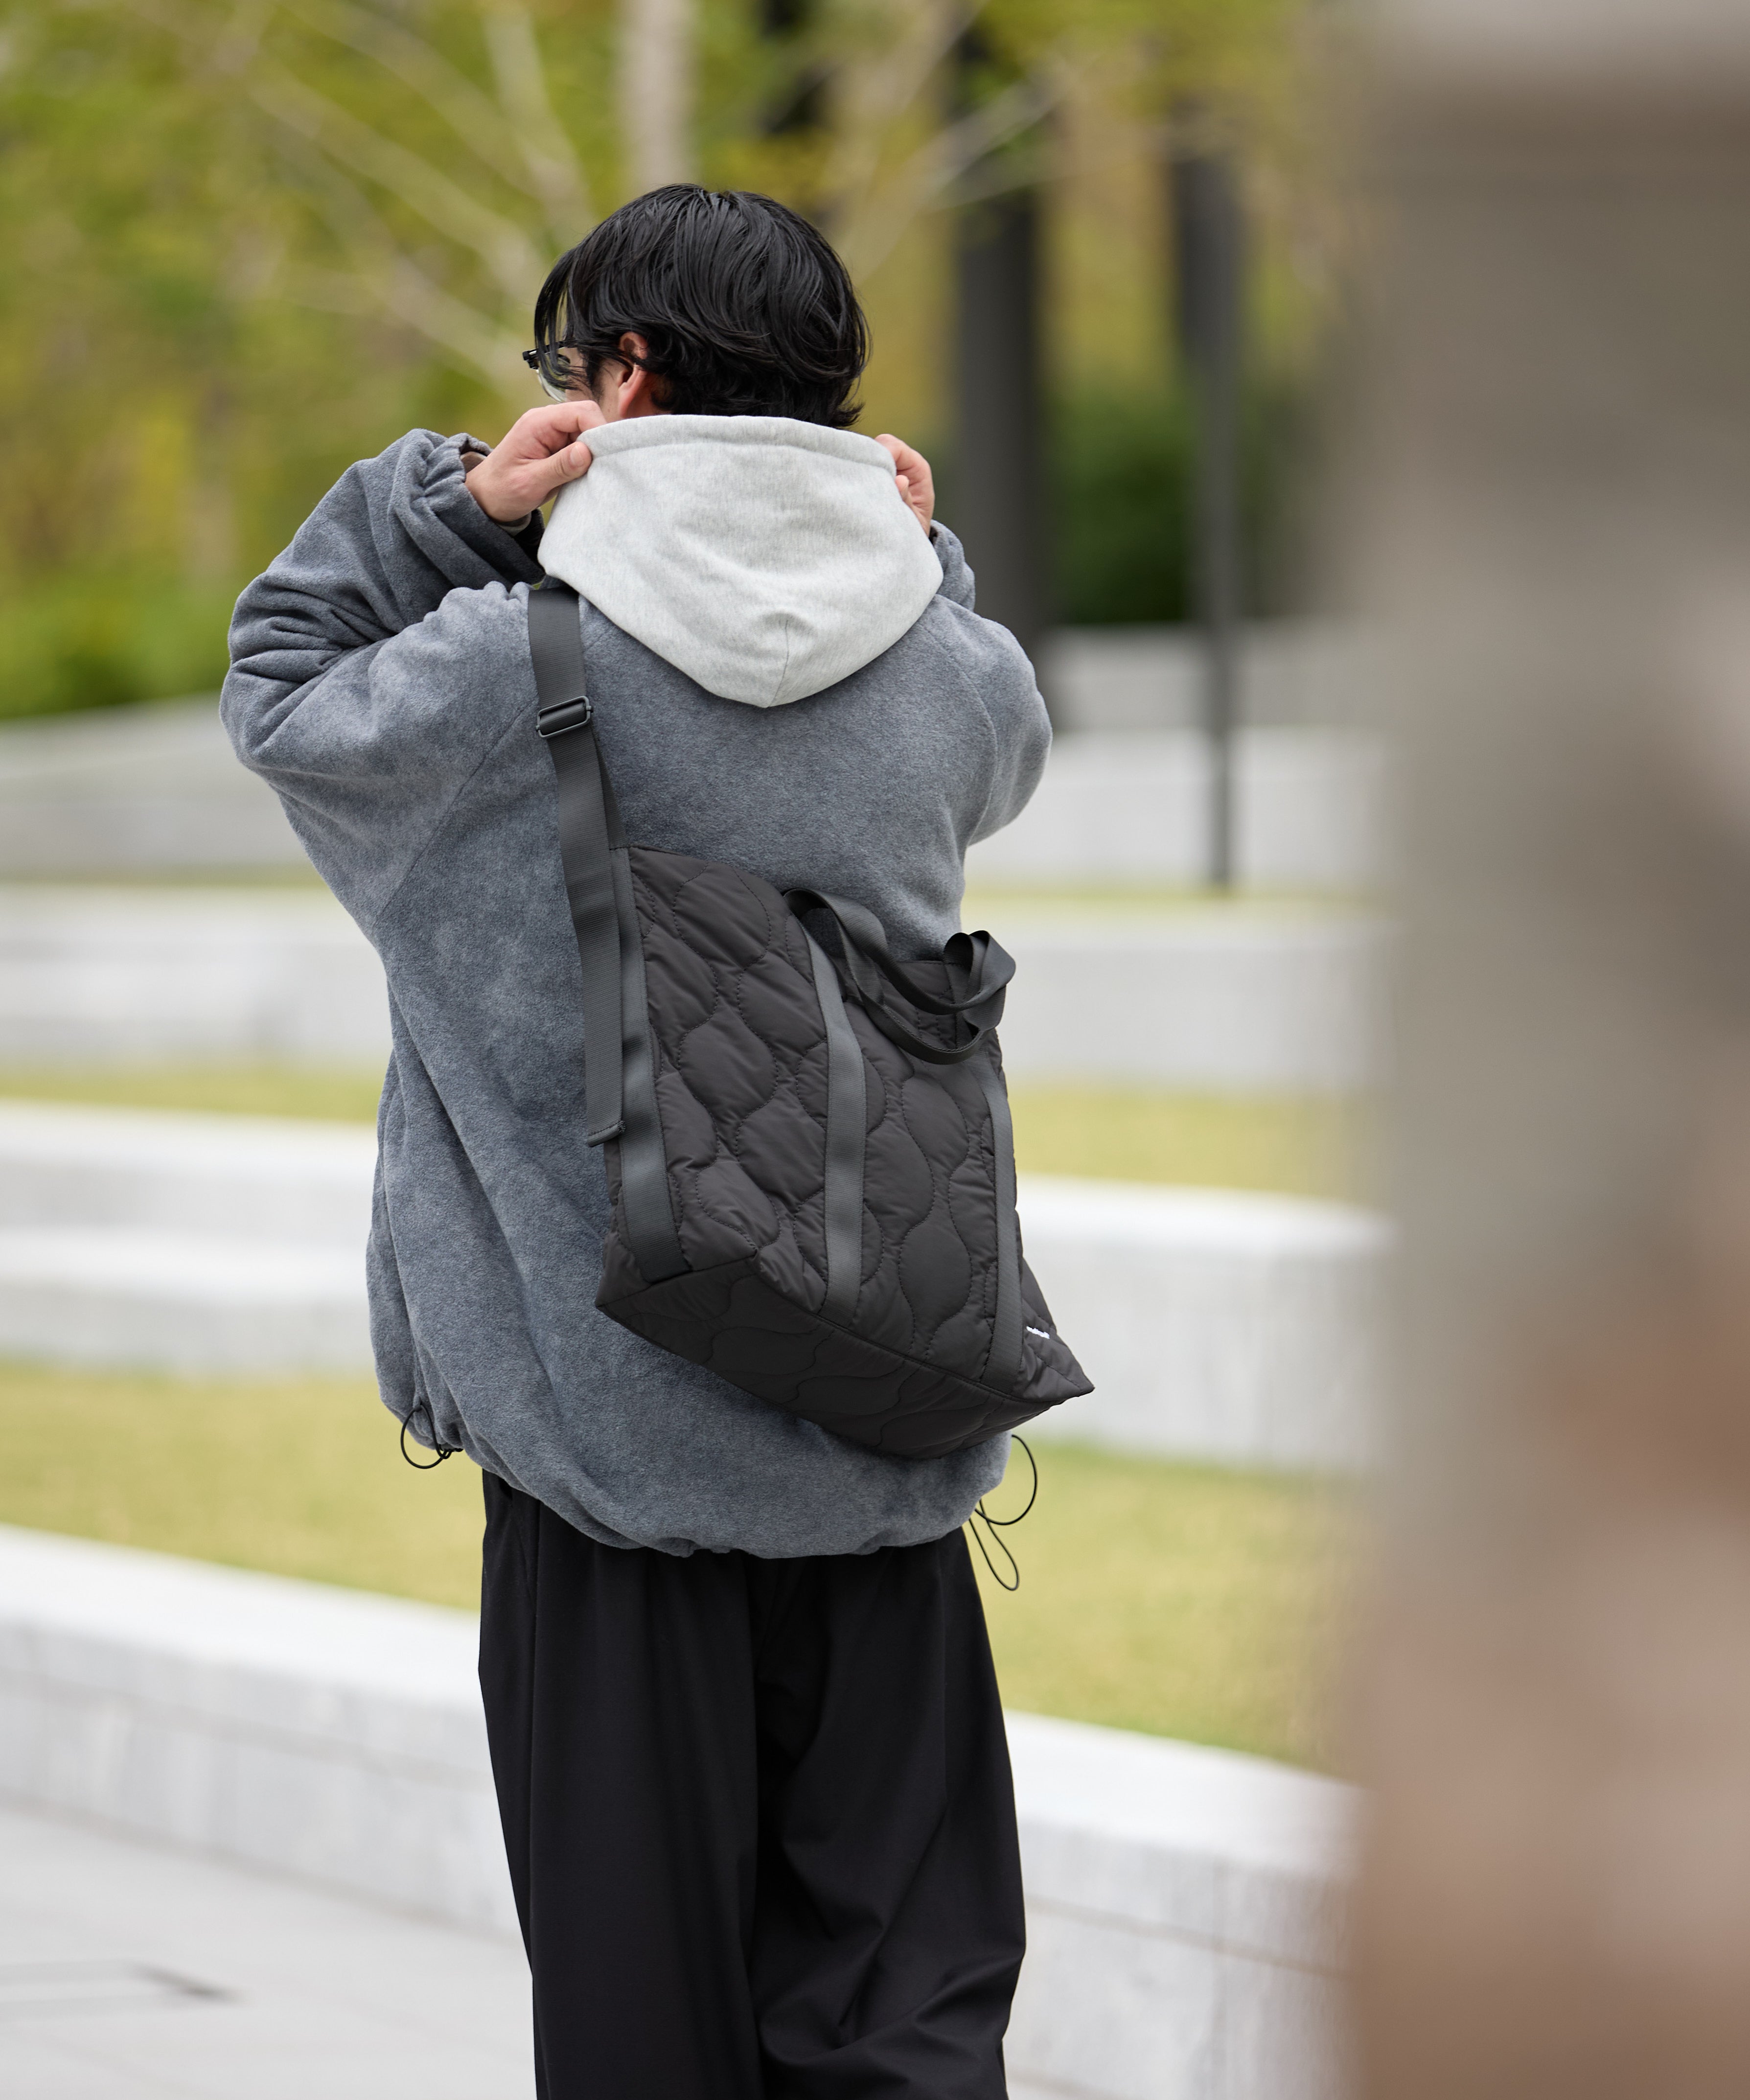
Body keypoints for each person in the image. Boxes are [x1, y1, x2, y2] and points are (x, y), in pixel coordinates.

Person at [222, 184, 1050, 2100]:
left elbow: (280, 685)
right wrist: (921, 554)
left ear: (628, 378)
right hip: (886, 1413)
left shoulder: (497, 675)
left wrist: (453, 505)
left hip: (609, 1464)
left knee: (642, 2031)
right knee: (906, 2016)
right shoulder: (936, 668)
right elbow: (1007, 736)